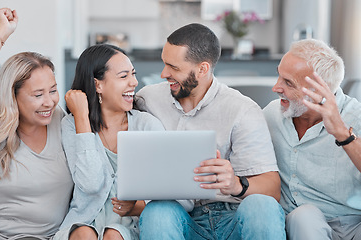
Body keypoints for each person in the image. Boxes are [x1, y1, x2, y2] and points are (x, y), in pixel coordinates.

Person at [136, 23, 286, 239]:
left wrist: (236, 184)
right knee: (157, 212)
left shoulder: (242, 110)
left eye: (174, 68)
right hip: (180, 218)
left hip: (234, 218)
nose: (163, 74)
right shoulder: (148, 98)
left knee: (262, 206)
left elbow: (272, 188)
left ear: (203, 69)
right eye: (164, 64)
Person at [0, 8, 73, 240]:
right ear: (13, 96)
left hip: (39, 236)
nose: (49, 101)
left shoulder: (62, 122)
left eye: (53, 91)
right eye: (38, 94)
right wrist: (0, 34)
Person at [53, 44, 166, 240]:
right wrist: (81, 118)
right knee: (84, 234)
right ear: (98, 85)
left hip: (130, 227)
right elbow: (91, 185)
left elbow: (164, 188)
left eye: (133, 74)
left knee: (114, 236)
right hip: (84, 222)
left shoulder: (146, 125)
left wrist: (137, 206)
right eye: (124, 76)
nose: (134, 82)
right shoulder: (72, 125)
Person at [263, 38, 361, 240]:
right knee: (304, 217)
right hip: (301, 223)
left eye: (288, 82)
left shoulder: (356, 117)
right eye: (279, 77)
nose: (275, 87)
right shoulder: (271, 115)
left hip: (351, 223)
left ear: (318, 91)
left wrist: (343, 134)